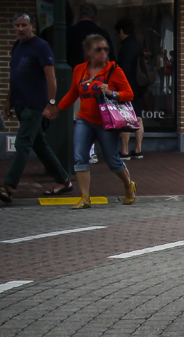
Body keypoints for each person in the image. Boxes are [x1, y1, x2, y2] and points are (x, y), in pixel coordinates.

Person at [45, 33, 137, 208]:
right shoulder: (79, 70)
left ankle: (128, 185)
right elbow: (73, 93)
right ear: (89, 52)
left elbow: (129, 94)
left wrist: (112, 92)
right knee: (80, 157)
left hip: (106, 123)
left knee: (112, 161)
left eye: (105, 49)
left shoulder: (114, 70)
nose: (103, 52)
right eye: (98, 49)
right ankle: (85, 198)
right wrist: (58, 108)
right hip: (84, 120)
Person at [0, 13, 72, 205]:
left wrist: (51, 103)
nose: (20, 29)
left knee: (22, 143)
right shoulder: (16, 46)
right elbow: (16, 76)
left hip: (34, 106)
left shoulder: (41, 47)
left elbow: (51, 77)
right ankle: (64, 181)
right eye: (17, 25)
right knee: (40, 145)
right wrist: (8, 100)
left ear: (32, 27)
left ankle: (9, 187)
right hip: (20, 104)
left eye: (24, 25)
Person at [114, 19, 146, 159]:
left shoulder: (125, 48)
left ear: (121, 31)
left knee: (125, 118)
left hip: (128, 87)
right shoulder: (138, 45)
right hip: (140, 86)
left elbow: (123, 71)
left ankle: (125, 151)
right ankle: (138, 149)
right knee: (138, 117)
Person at [66, 4, 111, 69]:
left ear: (79, 15)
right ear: (95, 17)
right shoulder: (102, 33)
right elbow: (110, 58)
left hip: (76, 74)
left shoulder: (70, 32)